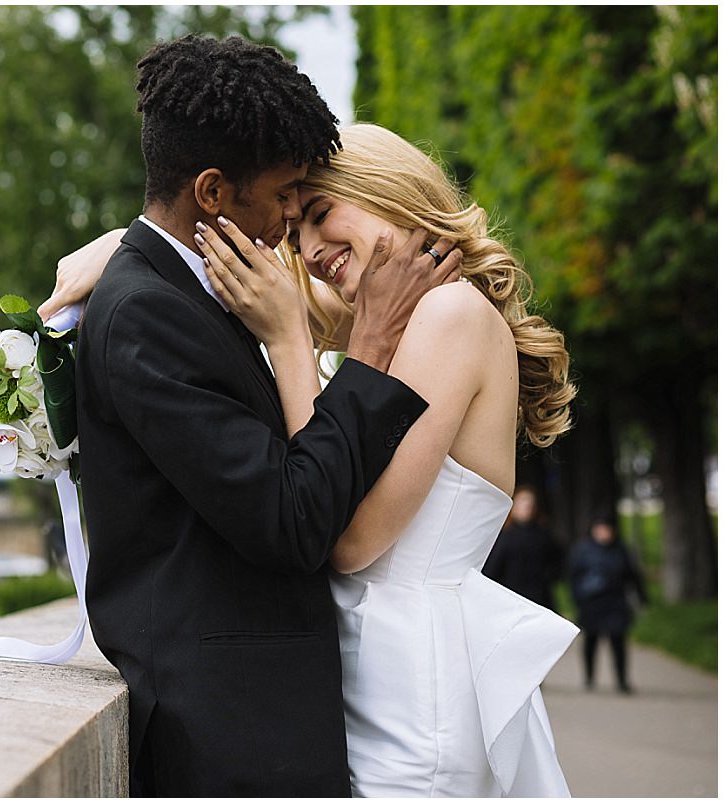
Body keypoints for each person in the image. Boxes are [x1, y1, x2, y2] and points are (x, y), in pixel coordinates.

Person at [47, 120, 580, 796]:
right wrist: (131, 242)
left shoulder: (449, 314)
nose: (309, 247)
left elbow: (350, 537)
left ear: (386, 188)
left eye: (323, 212)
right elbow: (248, 279)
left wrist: (292, 347)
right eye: (297, 229)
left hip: (417, 695)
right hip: (375, 678)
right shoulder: (394, 316)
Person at [63, 35, 463, 796]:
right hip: (226, 737)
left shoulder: (186, 284)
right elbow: (290, 518)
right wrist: (371, 347)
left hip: (257, 720)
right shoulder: (147, 312)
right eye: (284, 196)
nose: (289, 226)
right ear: (211, 193)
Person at [568, 515, 648, 694]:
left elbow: (633, 576)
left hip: (615, 603)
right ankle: (589, 678)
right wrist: (577, 599)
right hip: (591, 604)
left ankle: (622, 680)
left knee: (618, 641)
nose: (604, 533)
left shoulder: (621, 551)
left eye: (608, 529)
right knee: (591, 641)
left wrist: (642, 598)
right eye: (601, 528)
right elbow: (573, 578)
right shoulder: (583, 551)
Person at [483, 486, 564, 610]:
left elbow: (556, 561)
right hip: (512, 598)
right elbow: (492, 569)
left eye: (530, 503)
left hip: (539, 597)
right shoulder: (504, 536)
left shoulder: (543, 534)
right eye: (522, 502)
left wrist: (549, 576)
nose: (527, 507)